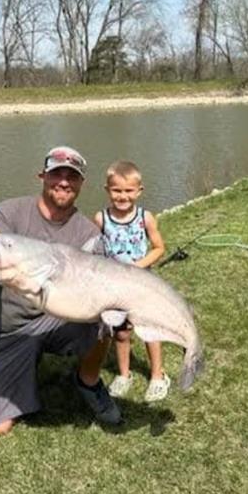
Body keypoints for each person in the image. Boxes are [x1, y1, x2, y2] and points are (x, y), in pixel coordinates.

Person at [0, 145, 122, 435]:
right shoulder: (9, 212)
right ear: (42, 176)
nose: (64, 181)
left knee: (107, 315)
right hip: (8, 332)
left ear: (81, 184)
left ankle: (89, 381)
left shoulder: (89, 235)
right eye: (57, 174)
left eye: (72, 176)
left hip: (57, 316)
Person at [93, 160, 169, 402]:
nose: (122, 196)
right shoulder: (100, 219)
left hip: (142, 285)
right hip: (116, 289)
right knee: (122, 332)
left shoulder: (145, 218)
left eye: (128, 191)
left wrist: (139, 266)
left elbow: (159, 248)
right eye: (116, 190)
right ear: (107, 190)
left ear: (139, 191)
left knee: (149, 330)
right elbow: (94, 252)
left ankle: (158, 375)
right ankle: (124, 374)